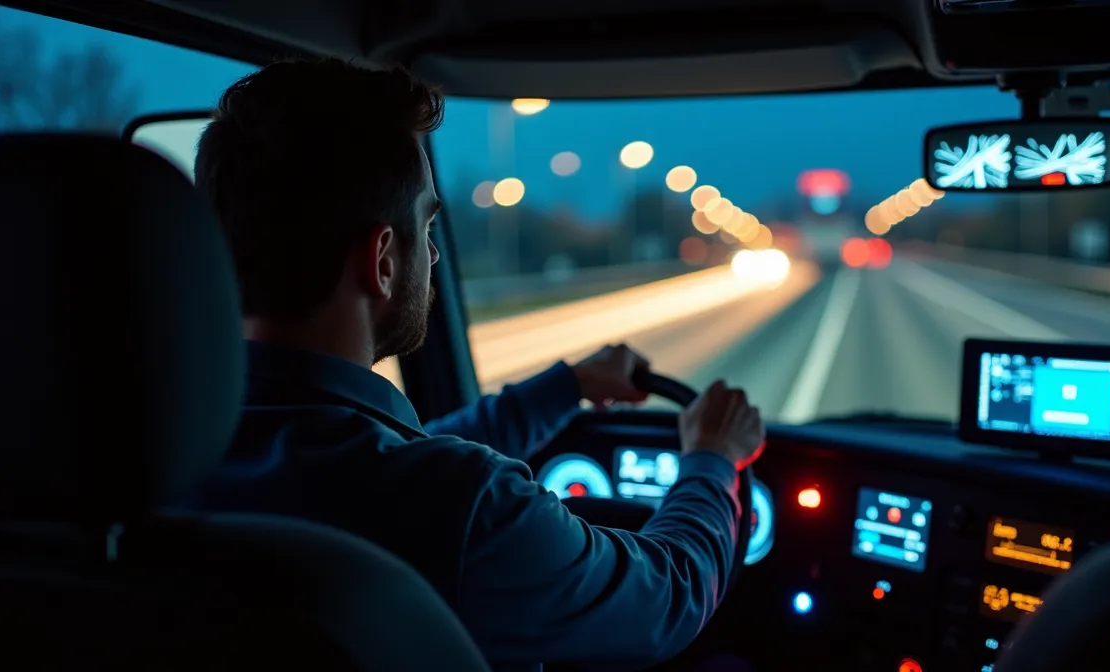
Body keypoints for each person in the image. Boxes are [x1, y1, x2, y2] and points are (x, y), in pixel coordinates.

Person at [186, 57, 765, 671]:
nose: (432, 255)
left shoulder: (148, 461)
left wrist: (564, 388)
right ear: (383, 260)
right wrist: (711, 459)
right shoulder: (467, 508)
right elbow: (667, 597)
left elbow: (390, 463)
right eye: (426, 227)